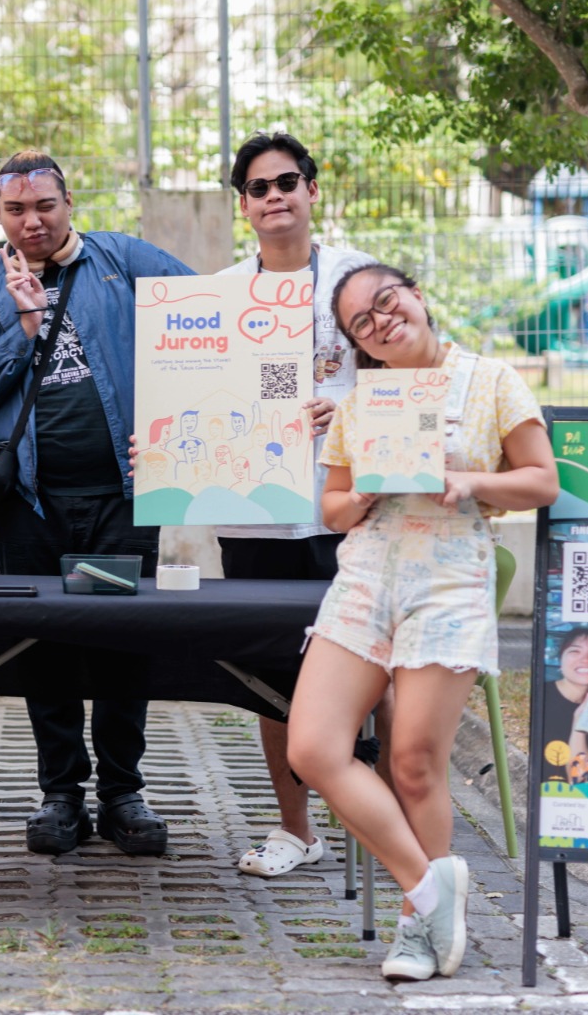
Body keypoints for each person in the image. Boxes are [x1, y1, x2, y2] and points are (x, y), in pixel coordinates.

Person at [284, 263, 557, 983]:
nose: (379, 322)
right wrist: (365, 492)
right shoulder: (360, 403)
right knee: (313, 749)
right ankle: (429, 886)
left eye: (385, 302)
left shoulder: (491, 380)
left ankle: (416, 930)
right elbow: (332, 507)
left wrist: (470, 481)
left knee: (412, 762)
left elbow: (540, 479)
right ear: (358, 346)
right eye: (361, 324)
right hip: (368, 574)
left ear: (417, 296)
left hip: (448, 577)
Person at [0, 151, 194, 857]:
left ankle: (122, 791)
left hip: (115, 500)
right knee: (43, 642)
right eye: (15, 210)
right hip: (27, 506)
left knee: (118, 638)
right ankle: (60, 793)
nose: (32, 221)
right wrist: (21, 329)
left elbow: (211, 326)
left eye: (44, 206)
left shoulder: (121, 262)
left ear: (68, 200)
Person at [213, 132, 378, 881]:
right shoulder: (217, 296)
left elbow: (412, 372)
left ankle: (375, 816)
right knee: (271, 674)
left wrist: (338, 405)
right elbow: (196, 399)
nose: (274, 196)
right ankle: (295, 827)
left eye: (287, 182)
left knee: (364, 664)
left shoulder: (359, 281)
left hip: (345, 508)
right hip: (252, 512)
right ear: (242, 206)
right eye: (258, 187)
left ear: (314, 191)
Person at [538, 626, 588, 782]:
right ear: (560, 661)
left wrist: (579, 728)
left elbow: (583, 781)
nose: (585, 659)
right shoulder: (541, 697)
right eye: (575, 651)